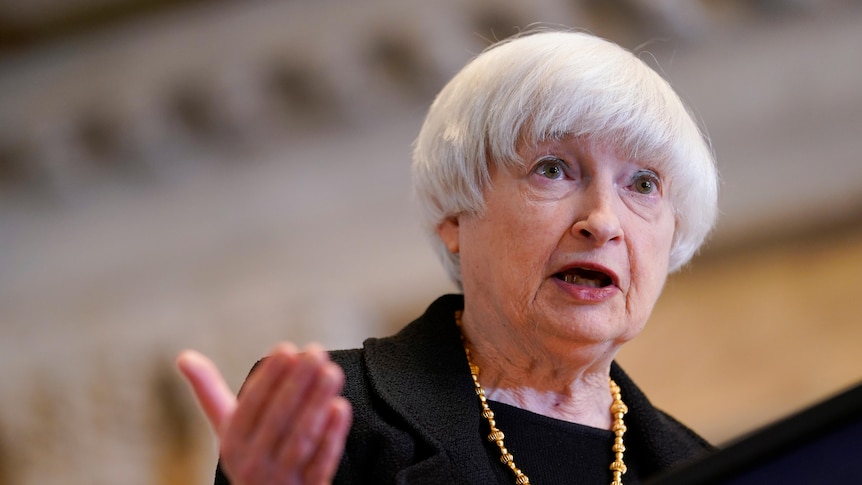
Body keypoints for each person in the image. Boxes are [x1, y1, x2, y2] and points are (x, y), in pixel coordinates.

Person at [177, 29, 719, 485]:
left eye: (643, 183)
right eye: (553, 169)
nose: (602, 221)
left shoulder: (706, 466)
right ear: (456, 214)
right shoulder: (333, 419)